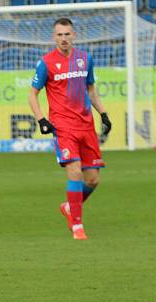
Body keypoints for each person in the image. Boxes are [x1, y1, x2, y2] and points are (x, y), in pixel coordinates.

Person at [28, 17, 111, 241]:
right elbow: (32, 94)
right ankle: (77, 227)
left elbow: (91, 90)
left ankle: (69, 207)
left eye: (67, 34)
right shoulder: (46, 62)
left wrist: (103, 113)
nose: (63, 38)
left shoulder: (85, 59)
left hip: (86, 126)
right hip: (63, 127)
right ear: (53, 37)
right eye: (59, 35)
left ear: (74, 35)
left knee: (93, 179)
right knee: (74, 171)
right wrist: (41, 119)